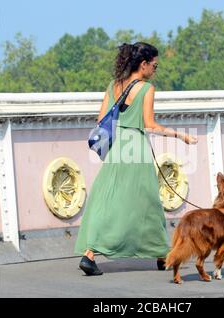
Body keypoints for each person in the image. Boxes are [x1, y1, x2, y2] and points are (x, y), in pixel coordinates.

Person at [74, 42, 198, 276]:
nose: (155, 70)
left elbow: (101, 120)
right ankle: (163, 255)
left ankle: (90, 254)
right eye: (155, 65)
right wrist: (180, 135)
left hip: (116, 147)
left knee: (106, 199)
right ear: (143, 64)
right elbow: (150, 125)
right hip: (136, 148)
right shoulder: (146, 88)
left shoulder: (113, 85)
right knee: (148, 202)